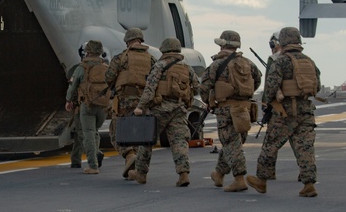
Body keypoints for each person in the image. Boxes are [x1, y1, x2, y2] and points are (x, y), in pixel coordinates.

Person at [247, 26, 321, 197]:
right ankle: (309, 184)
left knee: (271, 145)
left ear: (283, 41)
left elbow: (271, 86)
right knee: (305, 147)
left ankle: (261, 180)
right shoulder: (309, 61)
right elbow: (316, 85)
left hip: (285, 112)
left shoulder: (280, 61)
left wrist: (269, 101)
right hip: (306, 110)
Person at [131, 37, 198, 186]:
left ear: (164, 49)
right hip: (179, 109)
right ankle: (183, 174)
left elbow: (150, 89)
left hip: (160, 109)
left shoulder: (159, 66)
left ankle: (141, 173)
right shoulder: (187, 68)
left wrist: (140, 107)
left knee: (147, 140)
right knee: (179, 142)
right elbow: (197, 86)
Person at [201, 30, 262, 192]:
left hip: (226, 109)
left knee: (230, 143)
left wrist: (209, 101)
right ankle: (219, 174)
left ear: (222, 44)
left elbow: (204, 86)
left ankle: (239, 179)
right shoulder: (248, 63)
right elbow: (257, 79)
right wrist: (244, 93)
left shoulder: (216, 65)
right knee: (234, 142)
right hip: (244, 108)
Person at [106, 28, 156, 179]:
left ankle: (129, 155)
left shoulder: (121, 58)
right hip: (144, 101)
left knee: (116, 131)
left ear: (127, 41)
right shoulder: (151, 59)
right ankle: (137, 168)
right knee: (141, 134)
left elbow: (109, 77)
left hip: (124, 100)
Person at [65, 40, 109, 174]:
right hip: (103, 106)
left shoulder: (82, 67)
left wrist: (68, 100)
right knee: (94, 132)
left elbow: (72, 86)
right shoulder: (106, 67)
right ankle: (95, 154)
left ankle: (93, 165)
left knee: (88, 134)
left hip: (87, 105)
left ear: (87, 52)